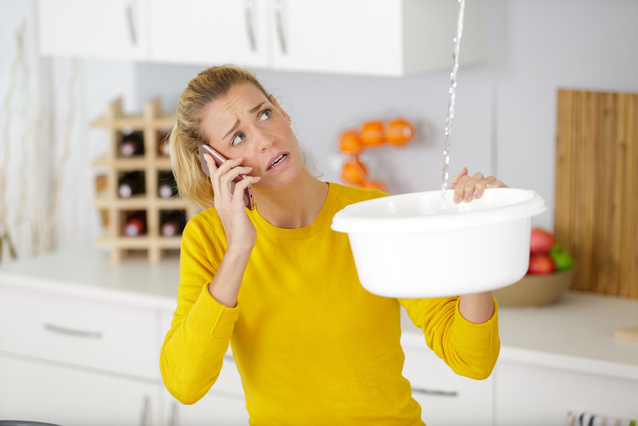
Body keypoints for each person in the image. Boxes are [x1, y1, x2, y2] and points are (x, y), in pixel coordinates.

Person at [160, 65, 504, 425]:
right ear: (214, 165)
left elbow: (473, 360)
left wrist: (477, 238)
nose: (265, 139)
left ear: (281, 111)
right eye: (237, 138)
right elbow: (185, 383)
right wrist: (239, 250)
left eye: (264, 114)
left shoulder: (372, 216)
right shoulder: (209, 240)